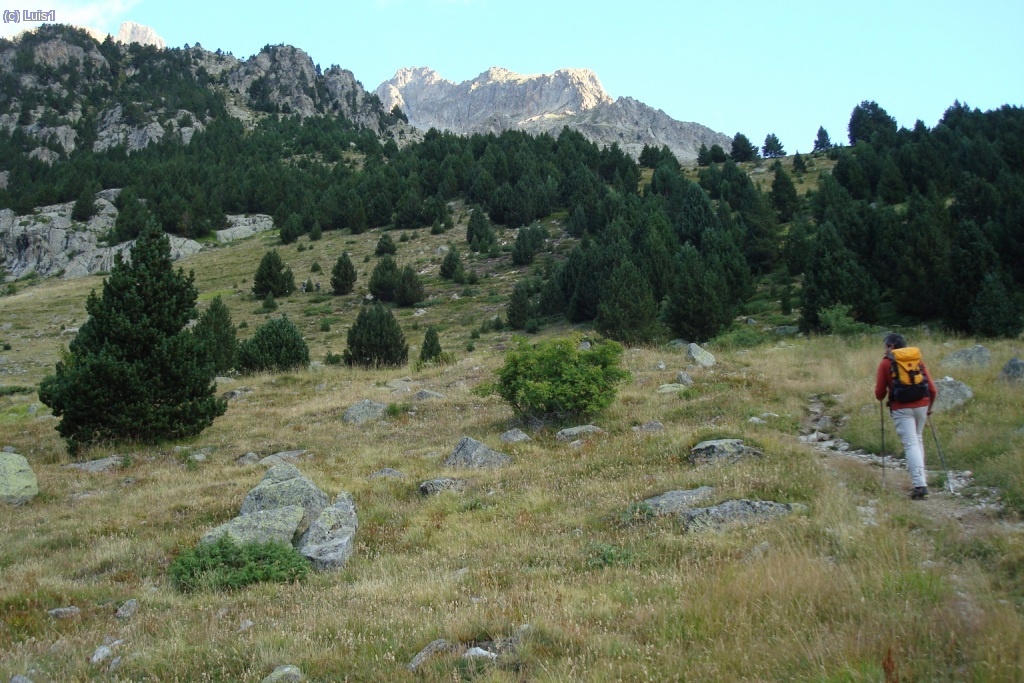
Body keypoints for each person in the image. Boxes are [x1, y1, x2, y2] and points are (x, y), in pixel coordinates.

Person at [874, 333, 938, 499]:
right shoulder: (917, 360)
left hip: (901, 407)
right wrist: (929, 408)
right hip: (922, 404)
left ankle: (919, 485)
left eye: (886, 346)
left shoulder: (886, 363)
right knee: (918, 439)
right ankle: (921, 478)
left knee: (910, 444)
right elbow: (932, 390)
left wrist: (883, 395)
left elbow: (879, 393)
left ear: (892, 346)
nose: (885, 349)